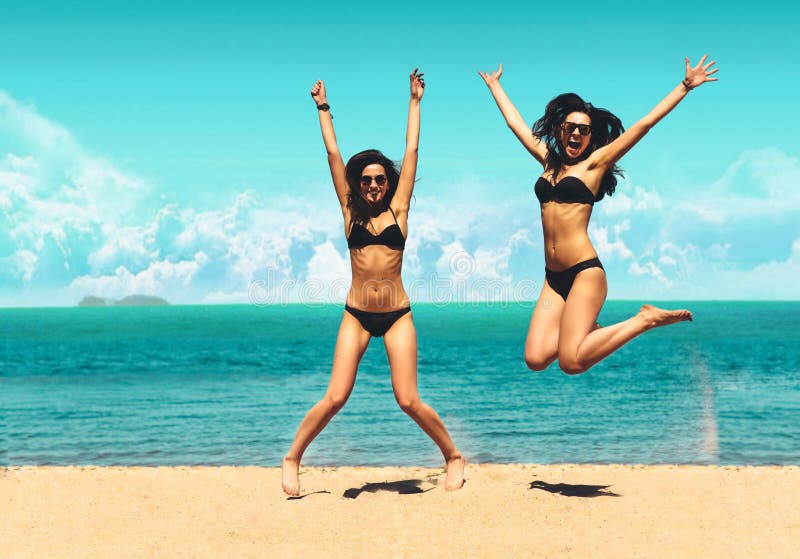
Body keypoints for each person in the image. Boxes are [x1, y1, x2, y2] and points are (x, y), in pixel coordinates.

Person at [281, 69, 465, 496]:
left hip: (397, 315)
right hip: (358, 315)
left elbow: (412, 149)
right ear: (357, 184)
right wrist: (323, 108)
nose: (374, 185)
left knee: (407, 400)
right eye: (367, 180)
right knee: (335, 397)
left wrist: (415, 102)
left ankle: (453, 456)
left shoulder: (400, 210)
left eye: (380, 179)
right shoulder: (350, 211)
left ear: (389, 183)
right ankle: (291, 458)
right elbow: (332, 154)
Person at [478, 56, 717, 375]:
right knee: (535, 359)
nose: (576, 133)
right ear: (560, 131)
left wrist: (684, 86)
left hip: (584, 273)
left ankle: (643, 319)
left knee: (571, 362)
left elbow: (643, 125)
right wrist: (495, 86)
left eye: (583, 130)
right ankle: (588, 328)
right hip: (553, 279)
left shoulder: (594, 165)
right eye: (570, 127)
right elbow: (515, 124)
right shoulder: (548, 162)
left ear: (591, 138)